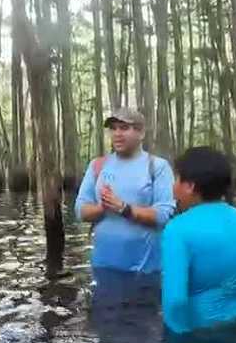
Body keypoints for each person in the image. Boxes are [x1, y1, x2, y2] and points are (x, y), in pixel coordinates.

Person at [160, 147, 236, 334]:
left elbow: (175, 303)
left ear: (190, 186)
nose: (173, 188)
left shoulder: (177, 229)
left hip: (203, 333)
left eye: (176, 179)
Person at [74, 108, 175, 276]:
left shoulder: (158, 167)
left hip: (145, 272)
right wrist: (103, 208)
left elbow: (164, 214)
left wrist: (123, 208)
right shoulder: (98, 165)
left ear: (141, 133)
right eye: (113, 128)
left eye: (124, 128)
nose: (117, 134)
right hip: (103, 270)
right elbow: (80, 210)